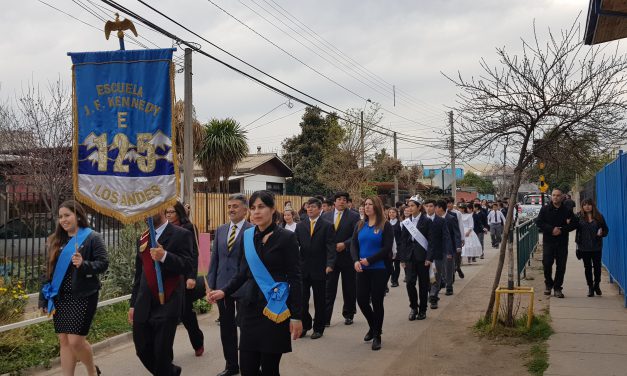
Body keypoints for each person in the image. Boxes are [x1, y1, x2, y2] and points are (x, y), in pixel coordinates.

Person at [208, 190, 303, 376]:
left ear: (272, 209)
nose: (256, 212)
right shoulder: (248, 236)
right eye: (253, 208)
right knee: (248, 368)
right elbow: (242, 273)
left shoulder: (286, 237)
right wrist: (224, 291)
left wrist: (297, 316)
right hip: (250, 308)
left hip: (274, 308)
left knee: (269, 369)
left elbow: (295, 277)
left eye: (261, 207)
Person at [39, 200, 108, 376]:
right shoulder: (55, 240)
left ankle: (92, 370)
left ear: (78, 215)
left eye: (67, 215)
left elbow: (103, 263)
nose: (63, 220)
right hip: (60, 297)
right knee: (64, 341)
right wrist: (43, 297)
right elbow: (47, 270)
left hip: (83, 295)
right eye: (60, 216)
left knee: (76, 341)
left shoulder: (93, 237)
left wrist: (83, 264)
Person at [129, 210, 193, 376]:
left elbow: (187, 265)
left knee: (161, 352)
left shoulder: (181, 234)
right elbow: (139, 274)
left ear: (163, 207)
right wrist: (132, 304)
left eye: (151, 208)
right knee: (142, 348)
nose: (146, 213)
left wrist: (164, 256)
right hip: (144, 301)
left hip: (168, 300)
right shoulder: (143, 237)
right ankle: (171, 372)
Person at [207, 194, 253, 376]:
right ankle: (231, 365)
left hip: (244, 287)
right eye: (229, 206)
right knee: (227, 328)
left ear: (245, 209)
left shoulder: (252, 230)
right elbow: (214, 259)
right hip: (222, 287)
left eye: (235, 206)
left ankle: (249, 364)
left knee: (246, 327)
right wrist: (210, 284)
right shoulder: (220, 230)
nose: (231, 209)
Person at [352, 196, 393, 351]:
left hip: (379, 268)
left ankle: (377, 335)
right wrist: (355, 260)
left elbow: (387, 248)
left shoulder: (385, 225)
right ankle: (374, 326)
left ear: (376, 206)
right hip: (362, 269)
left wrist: (370, 260)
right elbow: (354, 246)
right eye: (365, 204)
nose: (367, 207)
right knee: (361, 300)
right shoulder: (360, 224)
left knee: (377, 301)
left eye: (370, 204)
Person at [165, 202, 204, 357]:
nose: (168, 215)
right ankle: (166, 353)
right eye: (166, 212)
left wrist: (191, 277)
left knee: (186, 314)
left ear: (179, 212)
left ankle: (198, 342)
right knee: (166, 317)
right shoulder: (164, 228)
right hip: (168, 276)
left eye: (171, 212)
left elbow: (194, 254)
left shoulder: (188, 228)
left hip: (184, 276)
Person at [294, 198, 336, 339]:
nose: (310, 209)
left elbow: (331, 247)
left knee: (320, 300)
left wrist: (330, 264)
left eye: (312, 207)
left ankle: (319, 328)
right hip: (303, 268)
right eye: (308, 207)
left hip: (320, 267)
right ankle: (306, 324)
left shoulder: (327, 225)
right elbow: (294, 246)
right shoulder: (300, 226)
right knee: (301, 299)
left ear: (319, 209)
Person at [323, 191, 361, 326]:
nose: (342, 201)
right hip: (331, 259)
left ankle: (349, 314)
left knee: (349, 287)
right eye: (339, 199)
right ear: (334, 202)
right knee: (328, 288)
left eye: (344, 199)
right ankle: (325, 318)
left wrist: (345, 244)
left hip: (347, 257)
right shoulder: (326, 216)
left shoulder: (354, 216)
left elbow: (356, 236)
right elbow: (323, 235)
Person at [536, 188, 578, 298]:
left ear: (562, 197)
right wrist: (551, 229)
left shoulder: (567, 210)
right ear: (551, 196)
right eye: (554, 195)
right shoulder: (545, 209)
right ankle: (548, 284)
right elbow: (539, 222)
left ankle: (558, 288)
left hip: (562, 242)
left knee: (561, 266)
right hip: (548, 241)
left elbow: (574, 224)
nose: (555, 197)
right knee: (547, 263)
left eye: (558, 195)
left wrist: (562, 230)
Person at [400, 195, 431, 321]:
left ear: (419, 207)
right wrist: (402, 259)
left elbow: (431, 241)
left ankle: (423, 310)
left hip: (423, 257)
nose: (410, 208)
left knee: (423, 285)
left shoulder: (427, 221)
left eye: (413, 206)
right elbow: (402, 241)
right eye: (409, 206)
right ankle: (414, 307)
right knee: (410, 283)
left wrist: (429, 257)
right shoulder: (406, 222)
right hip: (409, 257)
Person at [576, 198, 609, 297]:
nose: (587, 206)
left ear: (592, 206)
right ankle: (590, 287)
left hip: (596, 247)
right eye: (584, 205)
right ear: (582, 207)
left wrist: (602, 233)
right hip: (584, 247)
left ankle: (597, 285)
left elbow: (606, 230)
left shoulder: (599, 217)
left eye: (589, 204)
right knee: (587, 268)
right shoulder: (579, 217)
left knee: (597, 267)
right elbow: (572, 226)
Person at [424, 200, 452, 309]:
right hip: (424, 254)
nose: (429, 208)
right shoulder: (422, 220)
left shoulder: (441, 221)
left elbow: (446, 236)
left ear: (435, 207)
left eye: (431, 206)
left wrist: (448, 251)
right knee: (426, 277)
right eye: (427, 206)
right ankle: (429, 293)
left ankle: (434, 298)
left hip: (438, 253)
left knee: (436, 276)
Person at [440, 200, 461, 295]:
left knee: (448, 267)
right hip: (438, 247)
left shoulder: (451, 218)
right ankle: (442, 282)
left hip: (449, 247)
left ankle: (449, 286)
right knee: (440, 268)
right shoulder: (435, 218)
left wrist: (458, 245)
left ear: (440, 208)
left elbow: (457, 233)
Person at [447, 198, 465, 279]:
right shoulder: (442, 213)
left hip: (456, 238)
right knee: (449, 258)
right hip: (447, 238)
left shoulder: (457, 213)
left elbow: (460, 226)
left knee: (457, 256)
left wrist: (462, 238)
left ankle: (457, 267)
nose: (448, 205)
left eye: (450, 203)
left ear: (453, 203)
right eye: (447, 203)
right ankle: (452, 274)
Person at [387, 207, 403, 288]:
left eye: (393, 212)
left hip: (398, 247)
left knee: (397, 265)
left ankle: (395, 281)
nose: (391, 214)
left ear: (396, 214)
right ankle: (392, 278)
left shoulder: (400, 223)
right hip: (389, 248)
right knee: (389, 265)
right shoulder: (386, 223)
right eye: (390, 212)